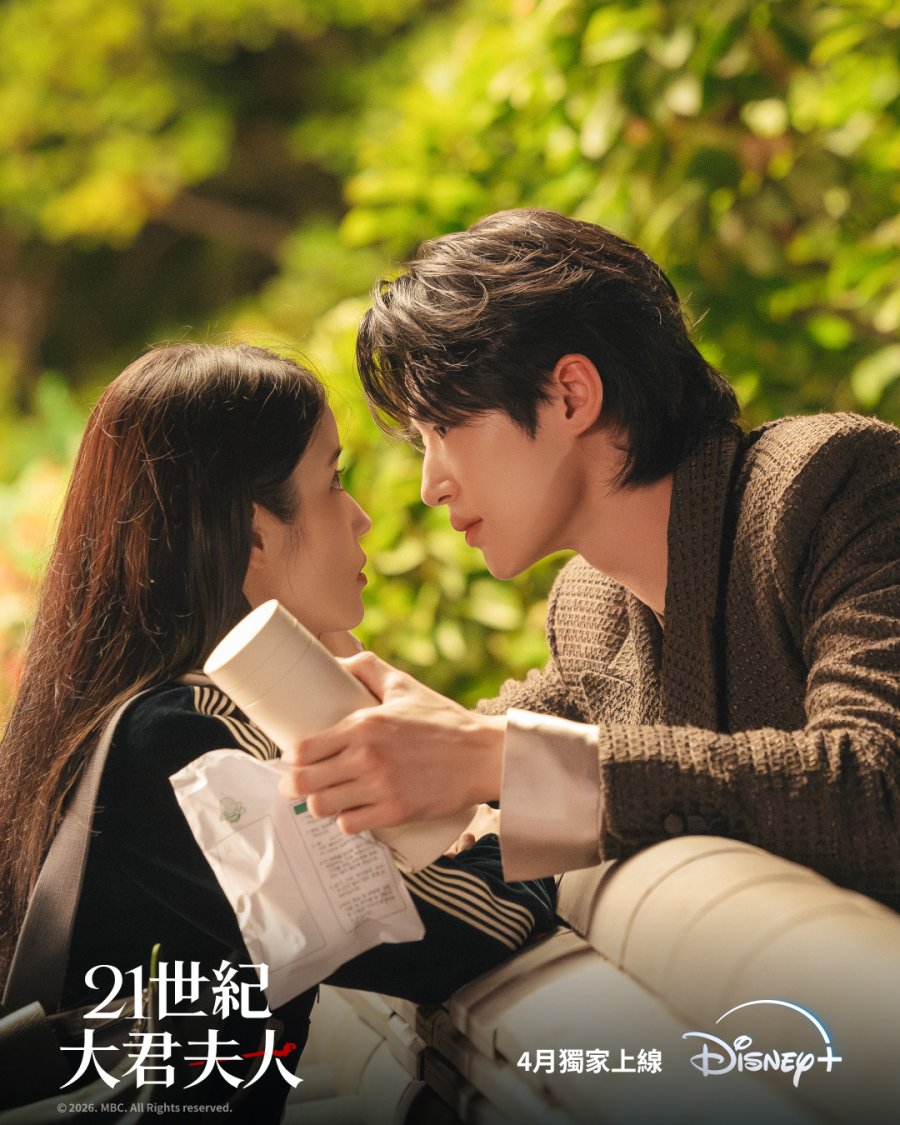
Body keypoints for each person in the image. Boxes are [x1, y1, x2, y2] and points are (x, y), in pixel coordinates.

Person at [283, 208, 900, 912]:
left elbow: (880, 787)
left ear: (570, 395)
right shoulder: (590, 608)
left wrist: (493, 758)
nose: (431, 485)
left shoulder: (830, 484)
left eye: (446, 426)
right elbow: (486, 740)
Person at [0, 342, 555, 1121]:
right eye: (334, 480)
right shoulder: (189, 740)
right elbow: (473, 927)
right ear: (254, 534)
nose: (361, 515)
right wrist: (511, 804)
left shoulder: (113, 715)